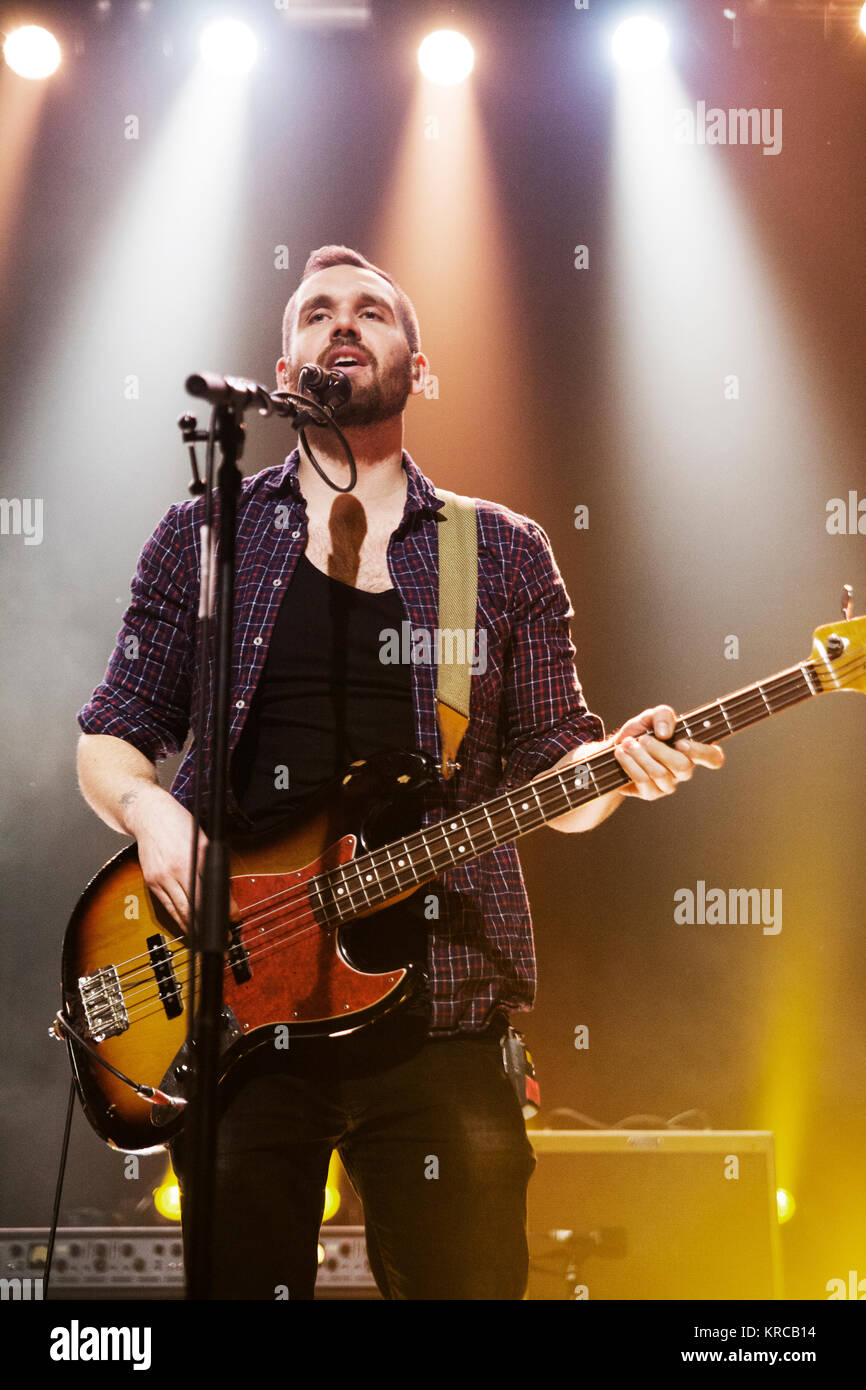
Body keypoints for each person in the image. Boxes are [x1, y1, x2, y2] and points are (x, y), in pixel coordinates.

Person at [76, 245, 724, 1300]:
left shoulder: (501, 552)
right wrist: (149, 809)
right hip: (239, 1018)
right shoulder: (208, 534)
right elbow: (112, 730)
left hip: (442, 1009)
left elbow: (558, 764)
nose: (342, 322)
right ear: (281, 363)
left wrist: (614, 771)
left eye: (370, 311)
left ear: (417, 368)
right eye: (316, 309)